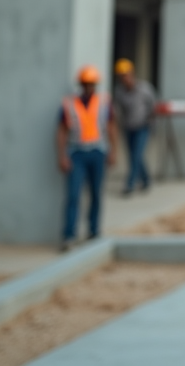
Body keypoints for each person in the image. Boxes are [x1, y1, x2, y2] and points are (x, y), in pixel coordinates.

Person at [57, 65, 117, 250]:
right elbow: (62, 131)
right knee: (74, 195)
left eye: (91, 84)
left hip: (98, 151)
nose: (88, 87)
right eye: (85, 84)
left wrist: (114, 151)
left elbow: (111, 127)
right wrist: (62, 155)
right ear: (81, 84)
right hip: (77, 153)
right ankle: (69, 235)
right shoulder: (70, 104)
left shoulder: (103, 102)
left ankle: (94, 231)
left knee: (96, 194)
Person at [113, 58, 156, 195]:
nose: (124, 79)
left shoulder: (145, 89)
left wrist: (151, 123)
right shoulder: (119, 92)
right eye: (121, 76)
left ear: (132, 74)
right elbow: (118, 111)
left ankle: (129, 185)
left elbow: (153, 107)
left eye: (126, 75)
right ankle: (146, 179)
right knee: (134, 156)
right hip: (128, 128)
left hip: (143, 127)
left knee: (136, 155)